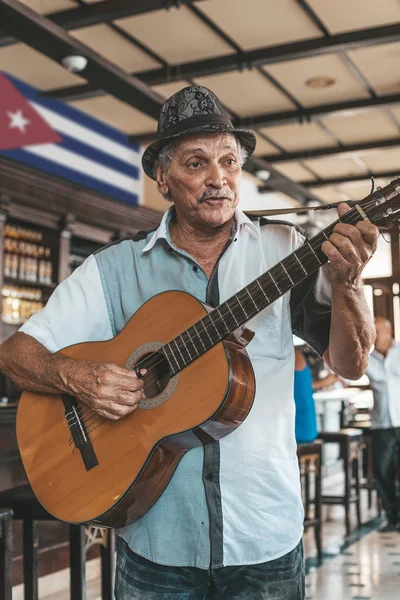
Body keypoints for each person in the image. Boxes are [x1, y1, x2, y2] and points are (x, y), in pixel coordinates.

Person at [0, 86, 378, 599]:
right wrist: (80, 378)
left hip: (264, 536)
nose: (218, 178)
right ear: (163, 178)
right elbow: (16, 354)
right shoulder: (113, 269)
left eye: (228, 161)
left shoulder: (287, 250)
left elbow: (351, 365)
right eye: (197, 163)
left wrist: (350, 283)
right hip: (156, 542)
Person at [366, 316, 400, 532]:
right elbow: (345, 376)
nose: (375, 336)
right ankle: (393, 516)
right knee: (381, 471)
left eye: (379, 331)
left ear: (389, 332)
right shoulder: (367, 359)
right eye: (373, 332)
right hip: (381, 425)